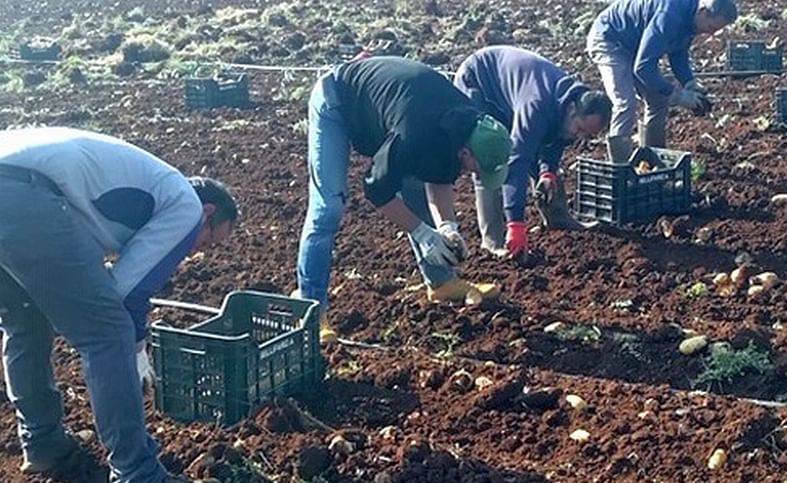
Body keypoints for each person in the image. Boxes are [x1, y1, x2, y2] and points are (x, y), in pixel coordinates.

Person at [0, 127, 238, 483]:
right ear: (207, 213)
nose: (197, 252)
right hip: (27, 194)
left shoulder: (144, 187)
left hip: (13, 180)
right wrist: (137, 347)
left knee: (25, 322)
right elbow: (126, 291)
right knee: (109, 334)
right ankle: (140, 479)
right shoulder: (185, 206)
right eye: (208, 241)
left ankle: (43, 444)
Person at [296, 56, 511, 336]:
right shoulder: (415, 133)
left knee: (416, 189)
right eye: (478, 169)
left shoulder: (466, 124)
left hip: (393, 113)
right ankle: (312, 312)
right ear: (466, 153)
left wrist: (448, 228)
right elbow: (376, 188)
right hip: (337, 101)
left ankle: (442, 283)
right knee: (329, 207)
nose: (478, 177)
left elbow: (439, 177)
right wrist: (423, 234)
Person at [453, 46, 613, 257]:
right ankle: (493, 240)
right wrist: (516, 224)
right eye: (580, 129)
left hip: (513, 91)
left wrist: (548, 171)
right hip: (479, 82)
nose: (579, 137)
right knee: (489, 155)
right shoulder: (536, 105)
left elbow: (557, 136)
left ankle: (558, 217)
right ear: (572, 109)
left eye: (586, 134)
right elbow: (517, 160)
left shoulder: (569, 99)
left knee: (538, 144)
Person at [587, 0, 738, 162]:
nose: (711, 34)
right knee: (625, 102)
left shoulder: (691, 17)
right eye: (711, 28)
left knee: (658, 100)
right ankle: (621, 169)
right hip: (610, 39)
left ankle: (652, 160)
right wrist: (679, 96)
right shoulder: (669, 15)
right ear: (703, 12)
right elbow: (643, 68)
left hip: (635, 46)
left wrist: (689, 82)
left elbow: (678, 52)